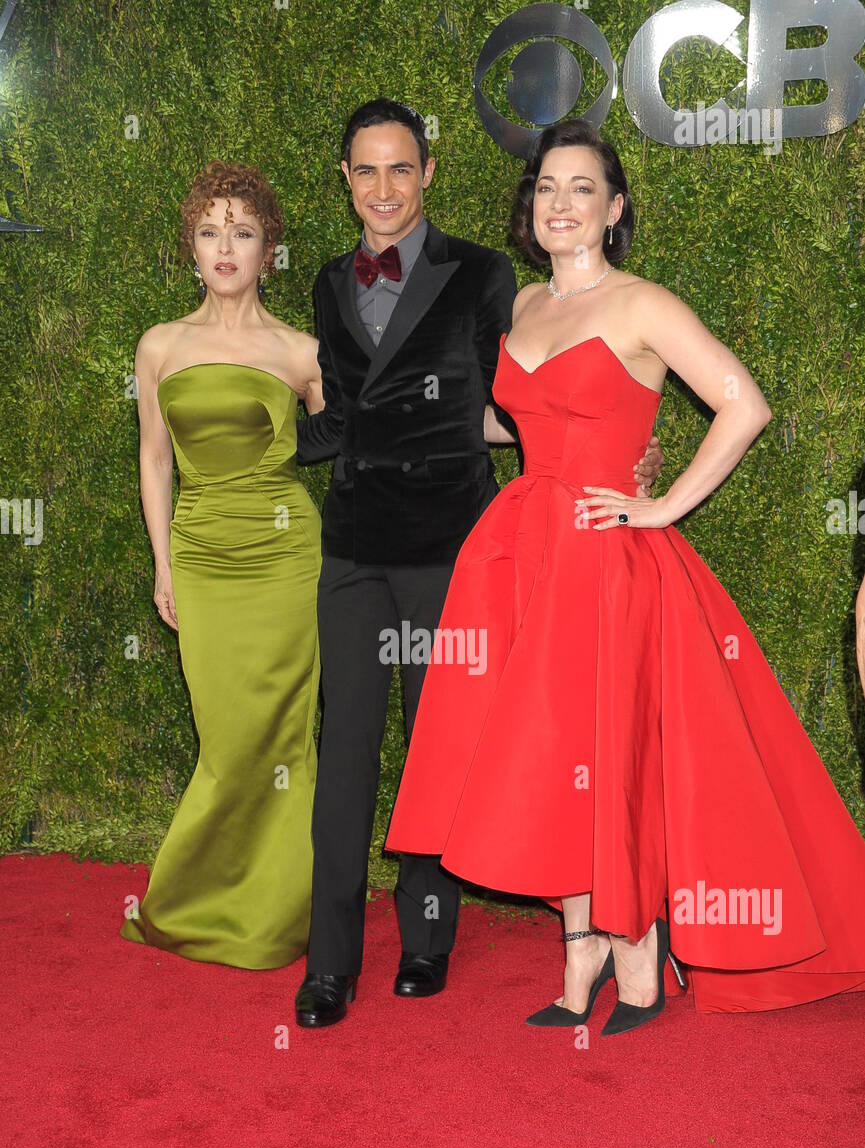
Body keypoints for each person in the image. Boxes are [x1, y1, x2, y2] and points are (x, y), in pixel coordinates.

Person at [385, 117, 865, 1033]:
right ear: (529, 209)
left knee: (606, 753)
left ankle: (638, 957)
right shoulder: (524, 305)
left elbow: (742, 403)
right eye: (546, 188)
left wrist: (660, 504)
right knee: (546, 751)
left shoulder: (645, 303)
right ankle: (581, 956)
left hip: (606, 562)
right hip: (521, 551)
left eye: (580, 189)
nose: (560, 204)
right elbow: (515, 423)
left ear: (612, 209)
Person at [291, 99, 666, 1027]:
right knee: (342, 756)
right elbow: (340, 410)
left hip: (454, 547)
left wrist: (629, 456)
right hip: (353, 543)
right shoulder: (329, 282)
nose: (383, 187)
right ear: (345, 179)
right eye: (365, 170)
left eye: (400, 169)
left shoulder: (487, 273)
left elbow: (522, 394)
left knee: (439, 750)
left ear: (427, 174)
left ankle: (426, 944)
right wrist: (256, 449)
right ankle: (328, 964)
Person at [121, 161, 324, 969]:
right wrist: (163, 563)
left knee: (279, 741)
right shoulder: (161, 346)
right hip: (202, 558)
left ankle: (276, 919)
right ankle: (196, 901)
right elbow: (154, 461)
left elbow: (353, 441)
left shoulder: (302, 351)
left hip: (284, 559)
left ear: (267, 246)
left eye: (242, 231)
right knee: (227, 741)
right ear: (191, 249)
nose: (226, 247)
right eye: (210, 232)